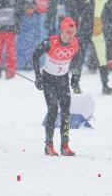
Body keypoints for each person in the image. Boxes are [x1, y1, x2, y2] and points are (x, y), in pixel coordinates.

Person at [33, 17, 79, 156]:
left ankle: (65, 145)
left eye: (73, 32)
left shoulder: (75, 43)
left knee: (65, 112)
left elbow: (76, 59)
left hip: (63, 80)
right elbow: (35, 55)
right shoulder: (50, 42)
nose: (71, 35)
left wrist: (75, 76)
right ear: (62, 32)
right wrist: (38, 77)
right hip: (49, 80)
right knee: (53, 110)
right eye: (68, 32)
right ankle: (49, 145)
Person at [70, 0, 112, 95]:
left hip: (97, 29)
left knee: (102, 58)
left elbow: (110, 12)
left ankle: (105, 85)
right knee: (79, 58)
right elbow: (75, 10)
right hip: (84, 29)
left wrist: (108, 27)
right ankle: (75, 85)